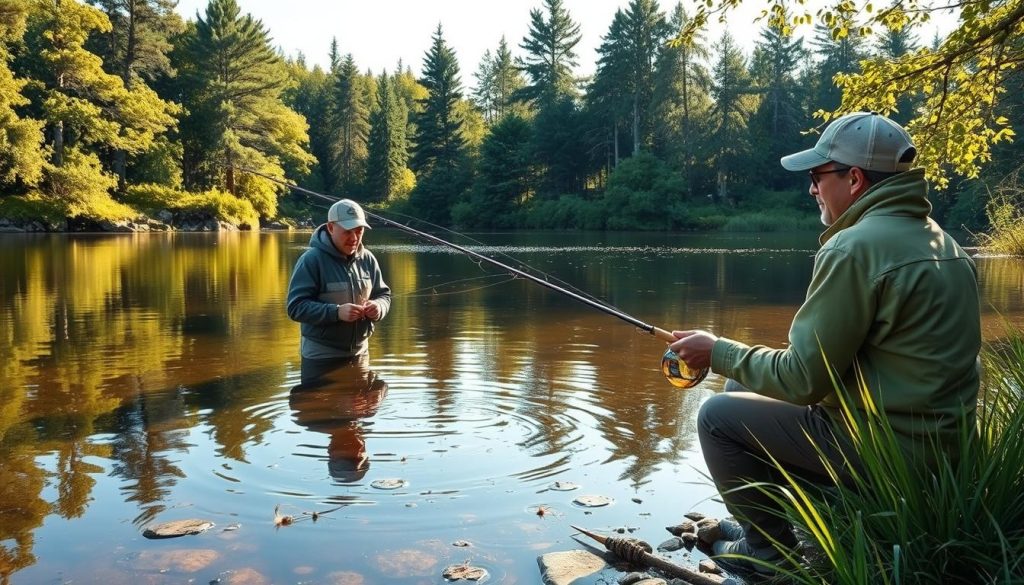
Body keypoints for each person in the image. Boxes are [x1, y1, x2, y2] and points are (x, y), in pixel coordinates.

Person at [669, 112, 981, 577]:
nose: (812, 188)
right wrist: (734, 361)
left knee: (717, 416)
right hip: (943, 463)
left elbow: (802, 380)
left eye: (817, 176)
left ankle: (770, 559)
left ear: (854, 179)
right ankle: (772, 532)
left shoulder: (852, 247)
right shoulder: (945, 245)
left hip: (889, 460)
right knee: (739, 388)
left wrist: (717, 351)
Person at [287, 199, 392, 382]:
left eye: (359, 231)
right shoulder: (311, 260)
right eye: (347, 231)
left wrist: (378, 307)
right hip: (320, 358)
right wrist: (336, 312)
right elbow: (296, 307)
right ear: (330, 228)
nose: (354, 238)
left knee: (363, 407)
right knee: (321, 409)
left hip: (361, 353)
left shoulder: (368, 259)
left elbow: (383, 295)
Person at [289, 355, 388, 483]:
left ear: (330, 451)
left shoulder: (312, 421)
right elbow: (383, 385)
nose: (358, 450)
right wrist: (378, 395)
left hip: (323, 345)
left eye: (351, 458)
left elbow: (295, 399)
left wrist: (336, 400)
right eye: (361, 456)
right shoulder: (366, 412)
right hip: (359, 347)